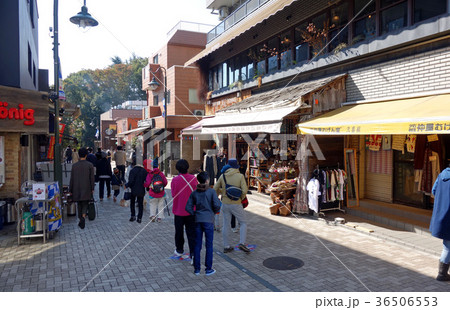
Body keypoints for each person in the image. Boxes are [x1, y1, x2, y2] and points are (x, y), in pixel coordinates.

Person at [186, 171, 221, 275]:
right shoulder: (211, 192)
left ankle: (197, 269)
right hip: (208, 220)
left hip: (197, 220)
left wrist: (194, 213)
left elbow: (188, 207)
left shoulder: (194, 193)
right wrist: (212, 212)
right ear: (207, 180)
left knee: (197, 245)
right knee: (209, 245)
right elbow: (217, 205)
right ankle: (208, 268)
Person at [214, 158, 250, 253]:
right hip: (236, 203)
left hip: (225, 203)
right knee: (243, 222)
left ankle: (226, 246)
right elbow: (245, 190)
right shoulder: (240, 176)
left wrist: (222, 193)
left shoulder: (223, 176)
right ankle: (242, 243)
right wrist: (240, 198)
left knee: (226, 224)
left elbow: (215, 188)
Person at [171, 159, 198, 259]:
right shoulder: (193, 179)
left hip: (178, 210)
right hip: (191, 210)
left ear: (177, 168)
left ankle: (179, 250)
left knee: (179, 231)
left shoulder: (174, 180)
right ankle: (193, 253)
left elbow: (173, 194)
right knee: (191, 232)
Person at [429, 166, 450, 281]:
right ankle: (442, 274)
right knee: (448, 247)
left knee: (447, 245)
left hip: (443, 215)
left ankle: (443, 273)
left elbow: (434, 191)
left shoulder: (442, 175)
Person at [69, 147, 95, 229]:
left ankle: (81, 218)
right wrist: (92, 188)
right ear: (86, 155)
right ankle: (83, 217)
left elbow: (72, 179)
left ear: (78, 155)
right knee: (85, 203)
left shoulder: (74, 166)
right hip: (86, 187)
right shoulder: (90, 165)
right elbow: (92, 178)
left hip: (76, 188)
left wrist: (70, 189)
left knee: (79, 203)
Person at [125, 155, 148, 223]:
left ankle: (133, 216)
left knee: (132, 203)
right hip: (141, 189)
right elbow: (146, 181)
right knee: (140, 204)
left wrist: (127, 185)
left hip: (133, 190)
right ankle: (139, 218)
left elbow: (131, 181)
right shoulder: (144, 171)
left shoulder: (132, 170)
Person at [144, 158, 168, 223]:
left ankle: (153, 216)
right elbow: (165, 182)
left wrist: (145, 185)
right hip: (161, 192)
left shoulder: (150, 174)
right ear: (158, 166)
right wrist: (162, 186)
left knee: (152, 204)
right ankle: (159, 218)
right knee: (160, 205)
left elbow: (147, 183)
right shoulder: (161, 173)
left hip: (152, 193)